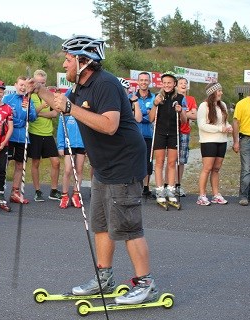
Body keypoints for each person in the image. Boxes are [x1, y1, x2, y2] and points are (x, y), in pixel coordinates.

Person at [28, 35, 158, 305]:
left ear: (82, 60)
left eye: (67, 59)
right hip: (103, 165)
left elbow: (110, 125)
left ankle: (146, 284)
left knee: (127, 225)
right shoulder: (80, 86)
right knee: (100, 223)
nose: (64, 65)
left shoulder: (105, 84)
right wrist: (39, 90)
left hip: (124, 162)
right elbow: (61, 104)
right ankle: (104, 278)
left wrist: (71, 107)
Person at [148, 71, 187, 205]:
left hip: (173, 134)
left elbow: (185, 120)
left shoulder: (180, 98)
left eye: (169, 83)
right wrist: (155, 104)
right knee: (159, 163)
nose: (167, 85)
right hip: (159, 133)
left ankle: (170, 189)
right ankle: (159, 190)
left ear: (174, 83)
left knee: (171, 163)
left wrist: (180, 110)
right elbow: (151, 118)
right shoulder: (157, 97)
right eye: (164, 83)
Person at [196, 82, 232, 206]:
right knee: (207, 168)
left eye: (221, 90)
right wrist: (219, 129)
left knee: (216, 169)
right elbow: (202, 125)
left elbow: (224, 122)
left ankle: (216, 194)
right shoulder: (203, 106)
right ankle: (202, 195)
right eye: (219, 91)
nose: (221, 93)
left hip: (222, 141)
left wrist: (228, 127)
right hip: (208, 141)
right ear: (212, 93)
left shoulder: (222, 105)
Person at [28, 70, 61, 202]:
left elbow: (54, 114)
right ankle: (37, 191)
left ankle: (53, 190)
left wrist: (38, 114)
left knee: (56, 162)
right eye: (38, 82)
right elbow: (30, 115)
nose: (40, 85)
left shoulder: (49, 95)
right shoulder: (30, 96)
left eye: (42, 83)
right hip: (34, 133)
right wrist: (41, 107)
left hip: (48, 133)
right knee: (36, 163)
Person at [3, 76, 37, 204]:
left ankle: (15, 192)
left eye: (25, 86)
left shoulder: (28, 99)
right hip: (9, 135)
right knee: (4, 162)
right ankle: (0, 190)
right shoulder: (8, 98)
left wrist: (28, 108)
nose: (23, 88)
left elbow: (33, 117)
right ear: (16, 85)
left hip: (23, 136)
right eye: (21, 85)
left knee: (20, 164)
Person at [56, 93, 85, 209]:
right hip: (69, 145)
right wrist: (61, 146)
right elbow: (60, 131)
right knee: (68, 170)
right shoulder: (65, 114)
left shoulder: (84, 114)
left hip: (82, 145)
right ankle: (64, 196)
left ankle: (76, 195)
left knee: (79, 169)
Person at [232, 81, 250, 206]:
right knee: (246, 169)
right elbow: (236, 122)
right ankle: (243, 195)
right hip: (246, 139)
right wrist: (236, 141)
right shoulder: (242, 104)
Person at [131, 72, 155, 196]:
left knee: (148, 161)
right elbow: (133, 116)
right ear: (138, 81)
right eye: (141, 80)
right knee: (134, 160)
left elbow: (152, 117)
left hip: (148, 134)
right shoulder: (132, 97)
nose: (144, 82)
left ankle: (146, 187)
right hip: (134, 134)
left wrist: (142, 114)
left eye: (146, 80)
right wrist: (146, 113)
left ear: (149, 82)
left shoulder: (154, 97)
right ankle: (135, 185)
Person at [175, 77, 198, 197]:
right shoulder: (173, 98)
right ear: (176, 86)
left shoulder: (191, 99)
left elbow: (195, 115)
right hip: (172, 131)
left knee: (181, 160)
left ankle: (178, 184)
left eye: (185, 83)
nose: (183, 85)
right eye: (181, 83)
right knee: (171, 160)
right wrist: (187, 113)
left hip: (184, 131)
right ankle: (170, 184)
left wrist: (183, 113)